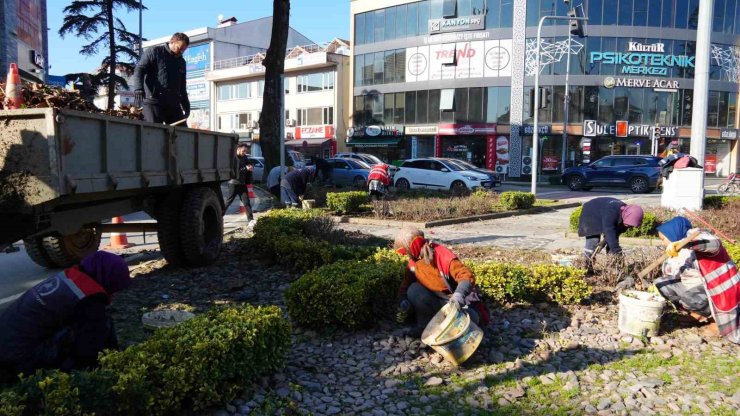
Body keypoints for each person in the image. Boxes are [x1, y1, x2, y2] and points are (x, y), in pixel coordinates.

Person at [0, 251, 131, 379]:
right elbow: (89, 346)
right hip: (17, 361)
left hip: (6, 345)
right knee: (100, 326)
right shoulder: (88, 298)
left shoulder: (69, 277)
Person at [654, 217, 740, 343]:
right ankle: (697, 314)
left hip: (720, 291)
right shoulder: (678, 251)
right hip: (700, 289)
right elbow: (670, 272)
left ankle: (716, 322)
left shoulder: (698, 239)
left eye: (663, 239)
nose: (662, 243)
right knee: (662, 283)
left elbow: (714, 244)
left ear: (673, 235)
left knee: (690, 296)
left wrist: (686, 244)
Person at [394, 227, 489, 337]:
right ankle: (425, 326)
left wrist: (458, 297)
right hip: (435, 303)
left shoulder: (441, 254)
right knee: (413, 289)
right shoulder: (413, 262)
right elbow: (406, 285)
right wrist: (403, 300)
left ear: (413, 247)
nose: (405, 255)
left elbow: (466, 276)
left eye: (404, 252)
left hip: (453, 303)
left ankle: (448, 327)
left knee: (473, 319)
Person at [133, 32, 190, 124]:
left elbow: (182, 86)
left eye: (184, 50)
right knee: (154, 132)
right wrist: (138, 88)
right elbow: (140, 69)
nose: (181, 52)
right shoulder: (155, 51)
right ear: (171, 42)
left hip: (173, 102)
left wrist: (186, 104)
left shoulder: (181, 62)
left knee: (182, 132)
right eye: (179, 48)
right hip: (153, 100)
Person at [578, 197, 644, 265]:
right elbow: (609, 231)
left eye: (630, 225)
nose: (628, 227)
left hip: (603, 211)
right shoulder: (612, 212)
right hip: (591, 212)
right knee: (593, 242)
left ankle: (611, 266)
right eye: (628, 224)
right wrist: (617, 252)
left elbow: (614, 234)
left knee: (612, 242)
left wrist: (605, 242)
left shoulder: (627, 214)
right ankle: (586, 266)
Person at [224, 144, 255, 227]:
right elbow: (235, 171)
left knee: (246, 202)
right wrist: (246, 168)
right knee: (228, 201)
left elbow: (248, 163)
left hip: (242, 183)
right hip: (233, 183)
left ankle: (251, 220)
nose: (244, 153)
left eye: (246, 151)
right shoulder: (234, 158)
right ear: (238, 149)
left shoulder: (244, 157)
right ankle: (219, 217)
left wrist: (250, 165)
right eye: (243, 151)